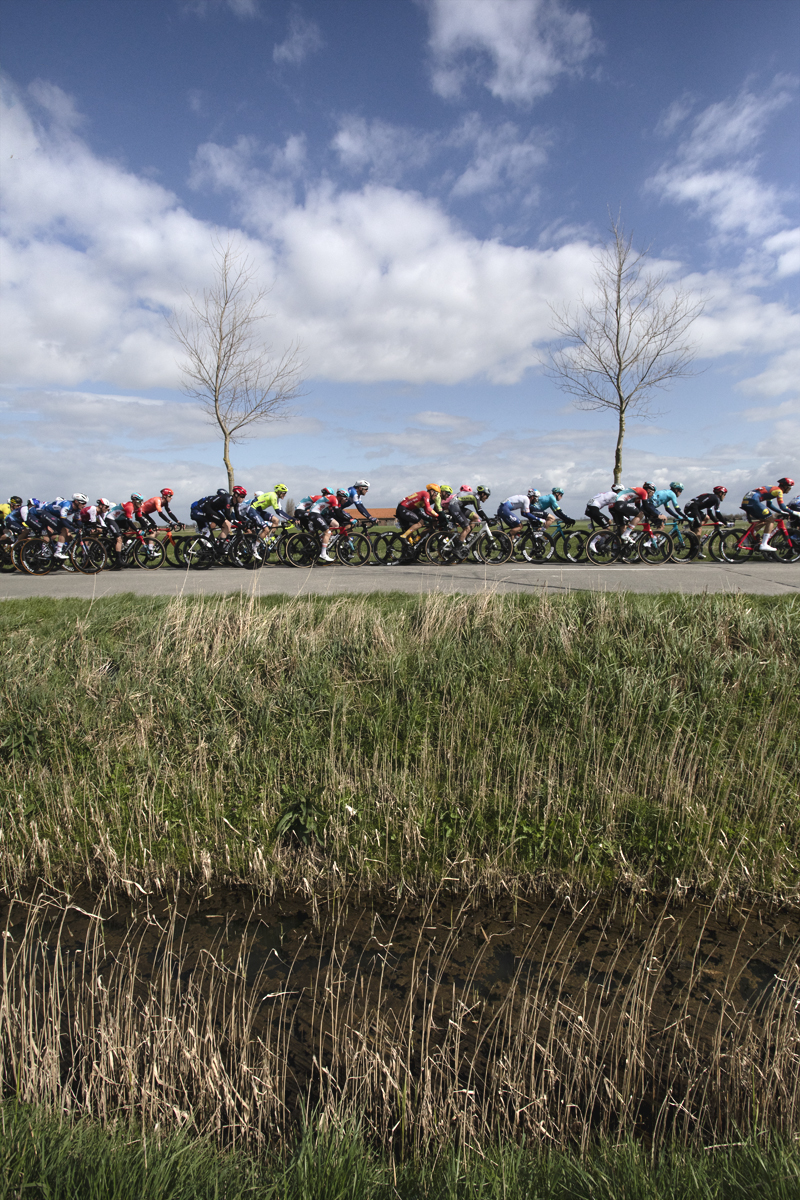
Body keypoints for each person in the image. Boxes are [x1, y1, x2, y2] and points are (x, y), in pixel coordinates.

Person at [740, 477, 795, 552]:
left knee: (765, 520)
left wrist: (781, 512)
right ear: (785, 486)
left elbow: (769, 505)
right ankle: (764, 544)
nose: (790, 489)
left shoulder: (773, 489)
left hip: (746, 501)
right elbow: (782, 506)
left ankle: (746, 537)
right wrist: (795, 513)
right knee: (771, 519)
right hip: (754, 501)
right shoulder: (779, 491)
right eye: (789, 487)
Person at [441, 485, 492, 554]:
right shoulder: (476, 497)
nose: (487, 498)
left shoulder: (474, 495)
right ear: (482, 494)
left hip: (458, 506)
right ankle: (457, 549)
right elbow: (479, 510)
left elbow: (478, 513)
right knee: (466, 528)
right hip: (454, 506)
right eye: (487, 496)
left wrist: (485, 519)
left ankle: (465, 536)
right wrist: (488, 520)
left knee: (475, 517)